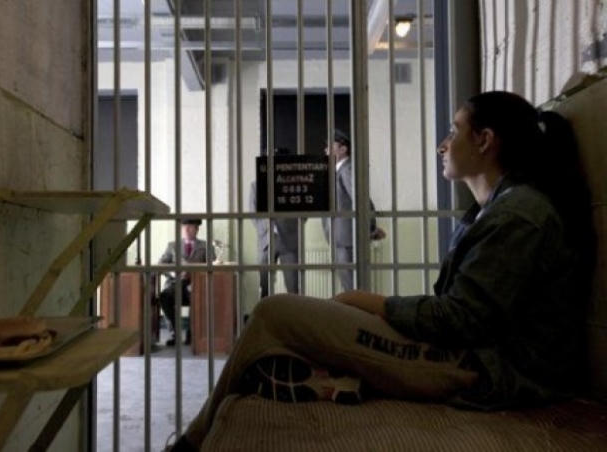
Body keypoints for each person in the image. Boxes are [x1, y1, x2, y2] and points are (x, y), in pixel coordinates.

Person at [171, 92, 595, 451]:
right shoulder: (493, 211)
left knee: (273, 313)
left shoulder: (517, 215)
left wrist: (376, 303)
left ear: (484, 140)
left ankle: (192, 442)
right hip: (476, 357)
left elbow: (463, 320)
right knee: (294, 316)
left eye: (453, 131)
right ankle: (324, 380)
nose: (442, 145)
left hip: (490, 371)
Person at [322, 128, 386, 291]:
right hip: (342, 237)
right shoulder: (339, 170)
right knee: (350, 285)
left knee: (352, 287)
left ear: (343, 149)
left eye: (330, 146)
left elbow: (361, 200)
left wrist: (370, 228)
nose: (326, 150)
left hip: (346, 239)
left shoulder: (347, 169)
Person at [250, 148, 301, 298]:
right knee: (264, 286)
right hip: (266, 240)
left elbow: (303, 211)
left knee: (293, 287)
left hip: (289, 240)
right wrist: (265, 228)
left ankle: (295, 313)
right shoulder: (256, 185)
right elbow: (253, 213)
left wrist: (292, 226)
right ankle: (266, 312)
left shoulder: (293, 184)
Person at [157, 219, 215, 347]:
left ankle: (192, 334)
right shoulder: (172, 245)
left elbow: (214, 266)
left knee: (197, 296)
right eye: (185, 227)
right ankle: (175, 333)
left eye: (191, 227)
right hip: (176, 284)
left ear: (197, 229)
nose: (187, 230)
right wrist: (175, 272)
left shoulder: (206, 246)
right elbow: (161, 264)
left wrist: (196, 274)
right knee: (164, 297)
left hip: (197, 284)